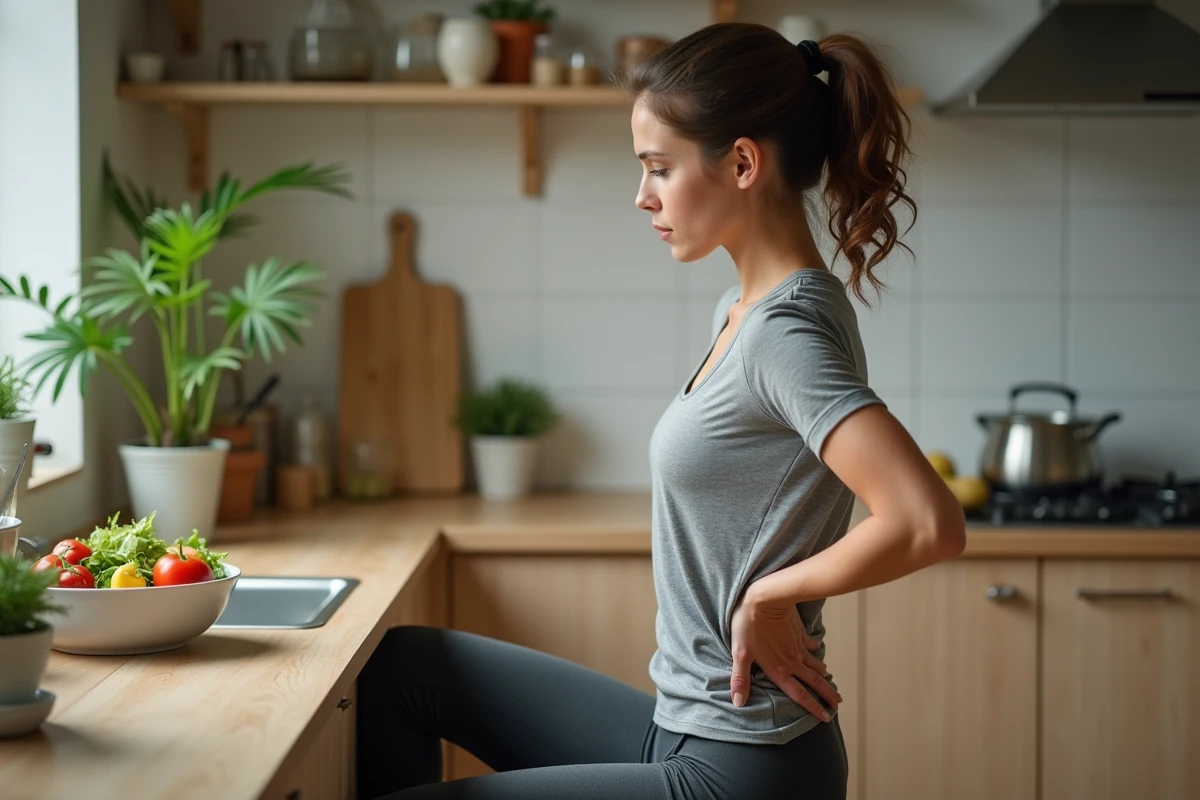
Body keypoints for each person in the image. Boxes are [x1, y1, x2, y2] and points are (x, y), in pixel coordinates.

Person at [356, 22, 966, 800]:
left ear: (742, 162)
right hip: (687, 727)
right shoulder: (745, 309)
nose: (642, 195)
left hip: (742, 766)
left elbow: (926, 521)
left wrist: (770, 594)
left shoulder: (781, 333)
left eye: (659, 168)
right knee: (404, 666)